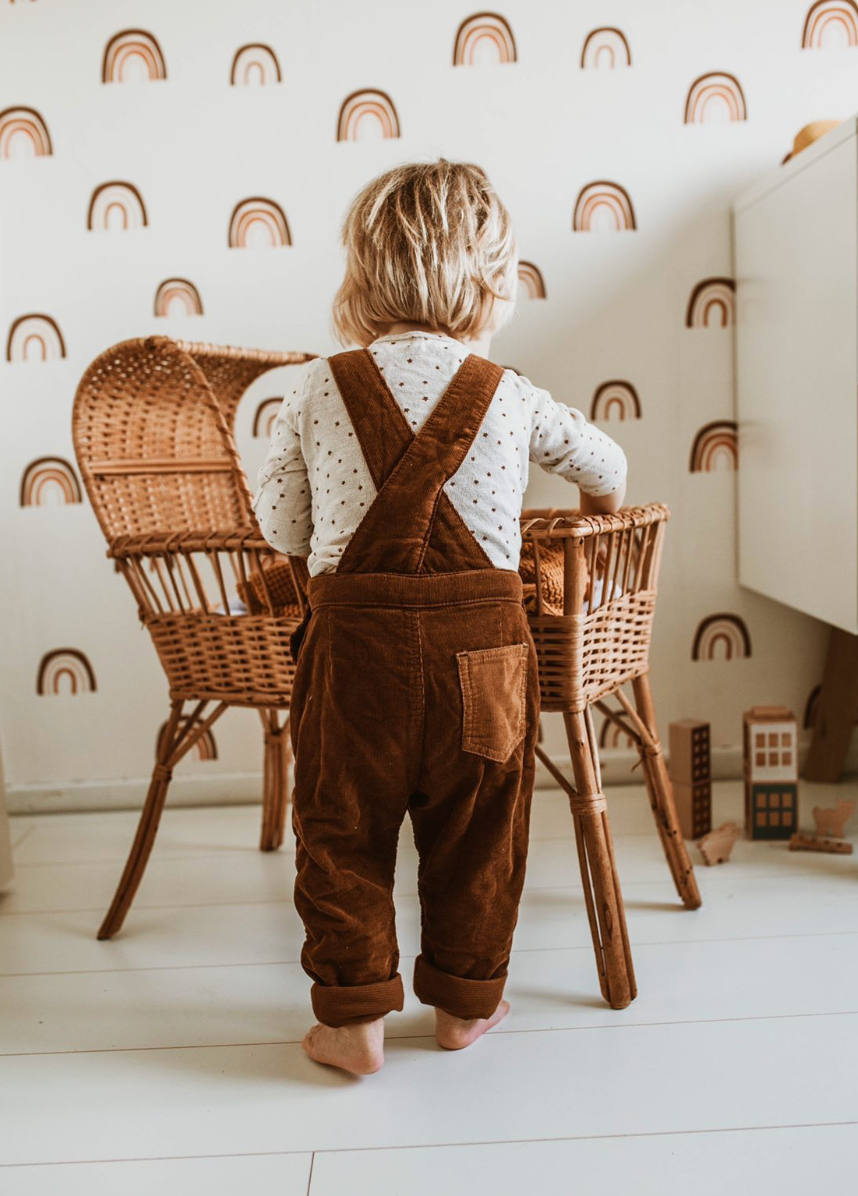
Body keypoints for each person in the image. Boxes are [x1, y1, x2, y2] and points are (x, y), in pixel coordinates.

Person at [253, 159, 628, 1075]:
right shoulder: (512, 392)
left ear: (360, 275)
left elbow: (280, 525)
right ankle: (465, 1004)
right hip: (485, 657)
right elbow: (608, 467)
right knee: (480, 834)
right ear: (493, 282)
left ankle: (352, 1020)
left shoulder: (311, 386)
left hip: (355, 657)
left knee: (340, 828)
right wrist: (582, 522)